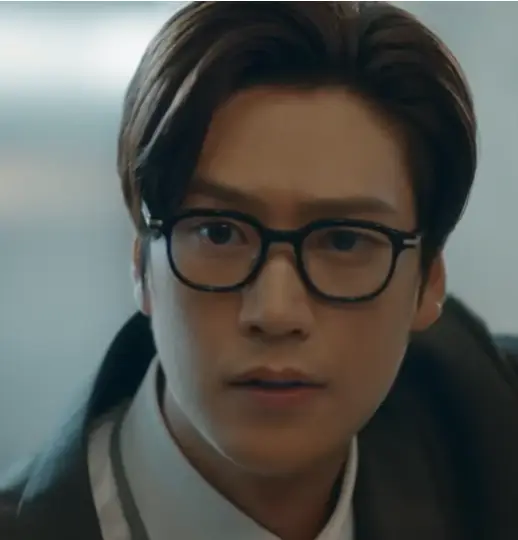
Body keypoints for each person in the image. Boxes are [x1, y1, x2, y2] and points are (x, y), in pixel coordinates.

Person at [2, 2, 518, 539]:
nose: (275, 312)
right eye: (219, 233)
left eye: (343, 240)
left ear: (429, 281)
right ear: (141, 266)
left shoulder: (480, 424)